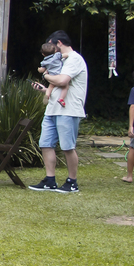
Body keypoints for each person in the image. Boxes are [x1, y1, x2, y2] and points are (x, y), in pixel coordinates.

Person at [30, 31, 88, 194]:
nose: (51, 50)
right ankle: (50, 180)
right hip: (53, 109)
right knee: (45, 143)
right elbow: (57, 84)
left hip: (68, 109)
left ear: (60, 44)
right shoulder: (59, 60)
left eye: (52, 46)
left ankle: (72, 182)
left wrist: (47, 75)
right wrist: (44, 90)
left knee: (67, 146)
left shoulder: (74, 59)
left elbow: (62, 80)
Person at [37, 42, 66, 108]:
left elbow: (42, 70)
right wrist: (67, 55)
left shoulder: (44, 61)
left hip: (52, 76)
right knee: (65, 86)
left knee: (50, 87)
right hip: (59, 75)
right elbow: (65, 55)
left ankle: (47, 95)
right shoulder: (57, 55)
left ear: (43, 54)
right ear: (55, 50)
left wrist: (39, 69)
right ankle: (61, 98)